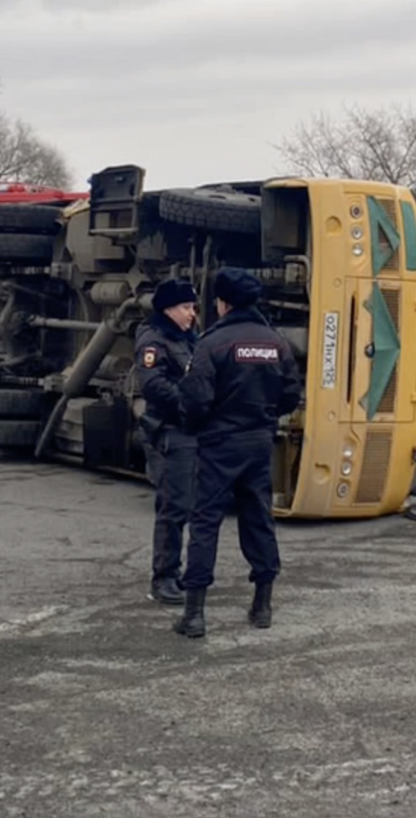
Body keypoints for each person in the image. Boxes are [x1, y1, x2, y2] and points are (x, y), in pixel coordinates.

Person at [173, 267, 304, 638]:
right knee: (258, 519)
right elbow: (290, 395)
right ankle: (262, 607)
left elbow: (195, 398)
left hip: (218, 444)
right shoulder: (276, 343)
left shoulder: (212, 344)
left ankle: (194, 615)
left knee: (205, 523)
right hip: (259, 442)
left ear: (223, 303)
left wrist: (198, 426)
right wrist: (262, 418)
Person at [131, 278, 199, 605]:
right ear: (168, 309)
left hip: (188, 430)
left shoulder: (186, 338)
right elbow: (153, 384)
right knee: (173, 506)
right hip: (170, 430)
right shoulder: (153, 340)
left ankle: (176, 572)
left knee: (186, 504)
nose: (192, 314)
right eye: (186, 307)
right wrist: (189, 402)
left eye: (193, 307)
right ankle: (164, 577)